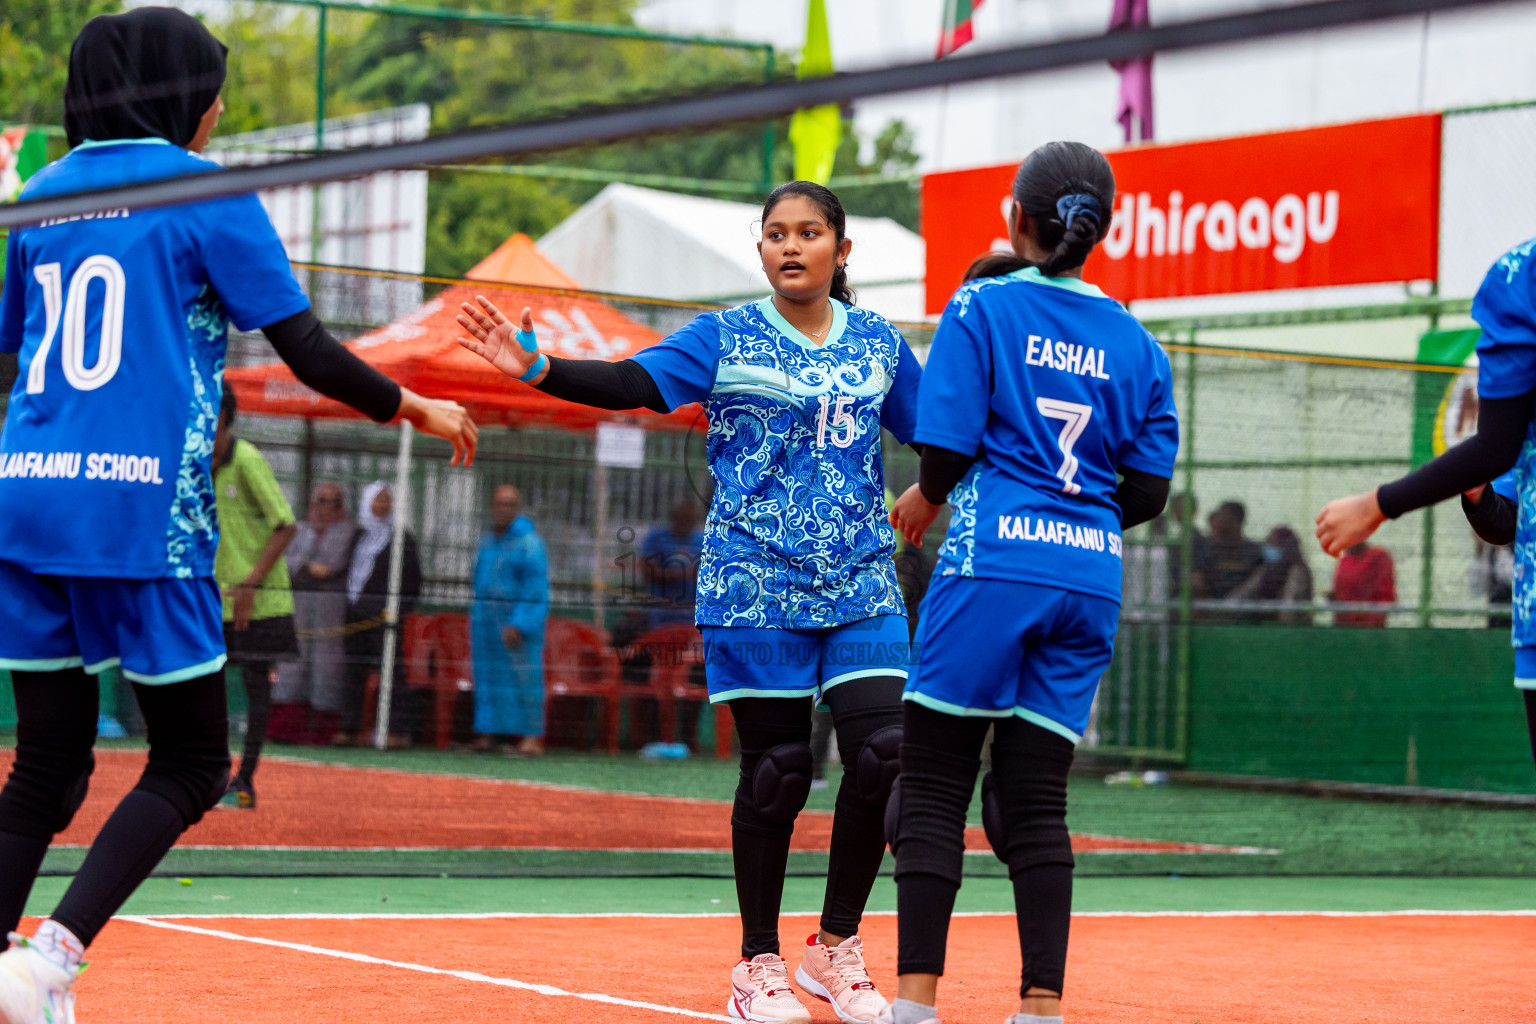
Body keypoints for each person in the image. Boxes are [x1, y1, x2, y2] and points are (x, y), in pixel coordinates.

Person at [0, 11, 476, 1019]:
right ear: (181, 98)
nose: (217, 111)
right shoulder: (202, 193)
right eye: (213, 91)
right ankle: (46, 960)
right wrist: (413, 401)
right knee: (191, 758)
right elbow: (304, 347)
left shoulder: (36, 196)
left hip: (28, 498)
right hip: (139, 512)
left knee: (46, 757)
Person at [456, 180, 922, 1023]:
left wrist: (936, 487)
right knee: (779, 772)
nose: (789, 245)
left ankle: (835, 944)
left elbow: (943, 430)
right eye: (775, 233)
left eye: (809, 232)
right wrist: (539, 366)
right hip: (754, 585)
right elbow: (632, 382)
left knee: (887, 754)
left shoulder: (882, 346)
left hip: (860, 583)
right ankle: (757, 964)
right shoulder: (725, 336)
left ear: (840, 251)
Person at [886, 141, 1178, 1024]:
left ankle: (913, 1006)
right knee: (1035, 799)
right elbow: (1149, 491)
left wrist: (931, 498)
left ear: (1015, 221)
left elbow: (944, 450)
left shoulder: (982, 303)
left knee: (932, 785)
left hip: (993, 564)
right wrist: (1072, 520)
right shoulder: (1137, 340)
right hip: (1089, 577)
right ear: (1101, 231)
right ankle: (1041, 1008)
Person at [1316, 235, 1536, 779]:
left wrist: (1377, 504)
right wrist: (1479, 496)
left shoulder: (1522, 276)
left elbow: (1494, 446)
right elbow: (1506, 517)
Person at [211, 388, 298, 808]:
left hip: (260, 603)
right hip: (212, 600)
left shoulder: (246, 460)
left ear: (224, 415)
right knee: (202, 685)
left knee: (255, 688)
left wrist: (250, 584)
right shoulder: (193, 462)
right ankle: (210, 774)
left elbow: (286, 525)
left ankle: (244, 782)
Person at [335, 482, 424, 747]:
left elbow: (413, 581)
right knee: (353, 672)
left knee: (392, 672)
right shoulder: (358, 535)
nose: (383, 506)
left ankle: (394, 730)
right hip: (355, 615)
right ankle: (349, 729)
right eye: (378, 500)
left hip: (385, 618)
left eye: (387, 500)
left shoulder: (402, 540)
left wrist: (397, 611)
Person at [272, 482, 356, 743]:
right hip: (298, 606)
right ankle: (287, 730)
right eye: (322, 501)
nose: (327, 507)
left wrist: (306, 568)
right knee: (292, 663)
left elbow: (331, 565)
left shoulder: (347, 531)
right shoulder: (300, 530)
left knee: (327, 667)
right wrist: (309, 568)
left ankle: (322, 732)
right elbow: (287, 564)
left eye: (334, 502)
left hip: (330, 610)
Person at [470, 485, 549, 757]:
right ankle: (488, 734)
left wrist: (520, 623)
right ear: (492, 506)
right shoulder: (488, 540)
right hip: (486, 624)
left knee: (524, 679)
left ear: (518, 507)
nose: (505, 509)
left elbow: (535, 588)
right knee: (488, 678)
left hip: (515, 624)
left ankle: (530, 738)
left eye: (511, 503)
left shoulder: (529, 543)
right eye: (500, 503)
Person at [1227, 526, 1313, 623]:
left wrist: (1285, 615)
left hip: (1293, 628)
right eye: (1268, 542)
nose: (1268, 546)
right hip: (1266, 624)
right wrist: (1227, 606)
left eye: (1273, 543)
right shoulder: (1265, 570)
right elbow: (1246, 591)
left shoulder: (1297, 570)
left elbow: (1292, 601)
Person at [642, 500, 705, 629]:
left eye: (690, 519)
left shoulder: (702, 541)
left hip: (693, 610)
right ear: (673, 518)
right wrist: (686, 574)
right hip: (661, 608)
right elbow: (649, 573)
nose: (686, 523)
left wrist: (670, 573)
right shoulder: (656, 538)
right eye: (682, 518)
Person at [1194, 501, 1263, 600]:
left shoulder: (1254, 552)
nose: (1218, 519)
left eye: (1222, 515)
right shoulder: (1209, 549)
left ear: (1235, 520)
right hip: (1211, 607)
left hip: (1243, 608)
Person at [1330, 541, 1395, 628]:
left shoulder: (1378, 556)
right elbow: (1341, 590)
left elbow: (1385, 597)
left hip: (1368, 629)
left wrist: (1371, 622)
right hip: (1343, 626)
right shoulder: (1345, 560)